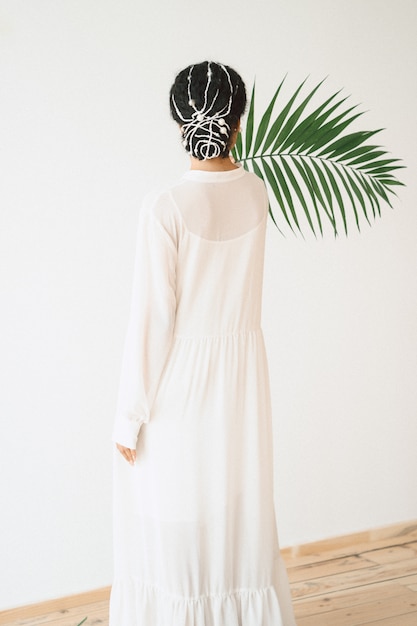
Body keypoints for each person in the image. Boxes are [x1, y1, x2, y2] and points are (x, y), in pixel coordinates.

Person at [110, 61, 297, 625]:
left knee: (173, 524)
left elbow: (154, 319)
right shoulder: (258, 194)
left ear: (178, 121)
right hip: (241, 387)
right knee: (234, 520)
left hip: (178, 390)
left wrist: (129, 415)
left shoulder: (165, 206)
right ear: (239, 121)